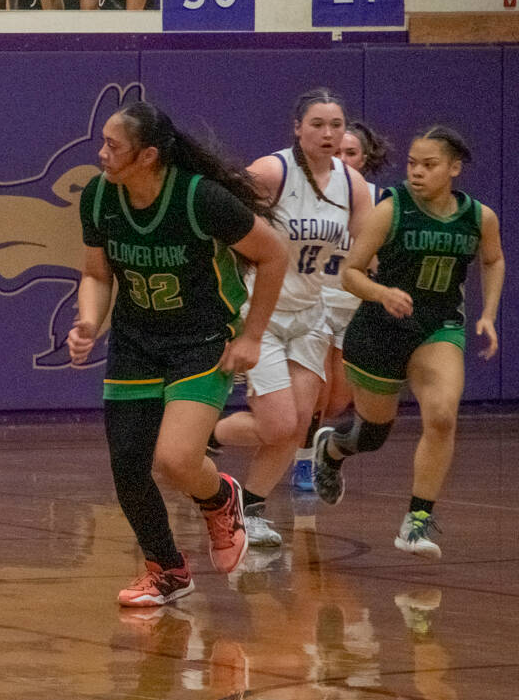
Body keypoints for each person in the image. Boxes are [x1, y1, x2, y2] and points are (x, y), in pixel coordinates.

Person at [69, 101, 287, 607]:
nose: (101, 152)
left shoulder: (200, 199)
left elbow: (274, 253)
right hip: (136, 340)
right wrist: (88, 322)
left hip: (202, 339)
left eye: (111, 145)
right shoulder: (100, 197)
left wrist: (252, 336)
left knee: (175, 459)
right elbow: (98, 275)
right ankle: (167, 569)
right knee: (128, 467)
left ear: (147, 156)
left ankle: (222, 498)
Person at [317, 127, 503, 559]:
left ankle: (417, 522)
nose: (417, 172)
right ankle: (333, 446)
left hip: (438, 327)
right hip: (380, 329)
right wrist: (382, 293)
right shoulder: (391, 208)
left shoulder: (479, 217)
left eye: (429, 165)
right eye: (412, 164)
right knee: (373, 434)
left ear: (454, 169)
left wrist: (488, 315)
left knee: (441, 417)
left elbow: (492, 259)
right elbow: (351, 272)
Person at [211, 91, 367, 548]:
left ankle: (250, 508)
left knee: (297, 426)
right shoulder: (271, 172)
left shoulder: (352, 184)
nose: (328, 133)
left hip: (311, 315)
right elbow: (221, 222)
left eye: (336, 124)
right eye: (317, 124)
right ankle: (201, 433)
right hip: (263, 312)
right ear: (297, 127)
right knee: (279, 425)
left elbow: (365, 249)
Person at [296, 119, 391, 490]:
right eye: (337, 152)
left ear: (364, 158)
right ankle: (302, 464)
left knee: (337, 402)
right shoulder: (307, 193)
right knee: (315, 394)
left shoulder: (378, 200)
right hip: (316, 302)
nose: (343, 158)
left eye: (351, 153)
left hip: (354, 307)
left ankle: (319, 447)